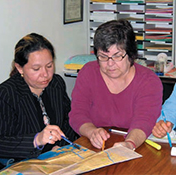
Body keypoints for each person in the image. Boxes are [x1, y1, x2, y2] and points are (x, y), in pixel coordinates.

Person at [69, 19, 163, 150]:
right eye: (103, 56)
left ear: (130, 54)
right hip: (94, 145)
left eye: (117, 56)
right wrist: (91, 132)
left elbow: (144, 121)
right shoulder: (88, 72)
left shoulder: (149, 81)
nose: (110, 63)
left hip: (136, 145)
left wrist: (130, 144)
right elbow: (77, 114)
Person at [0, 33, 78, 162]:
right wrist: (37, 140)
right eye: (36, 69)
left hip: (58, 158)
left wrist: (62, 147)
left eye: (49, 66)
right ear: (20, 68)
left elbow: (67, 121)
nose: (45, 74)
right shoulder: (5, 94)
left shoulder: (56, 84)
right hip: (26, 162)